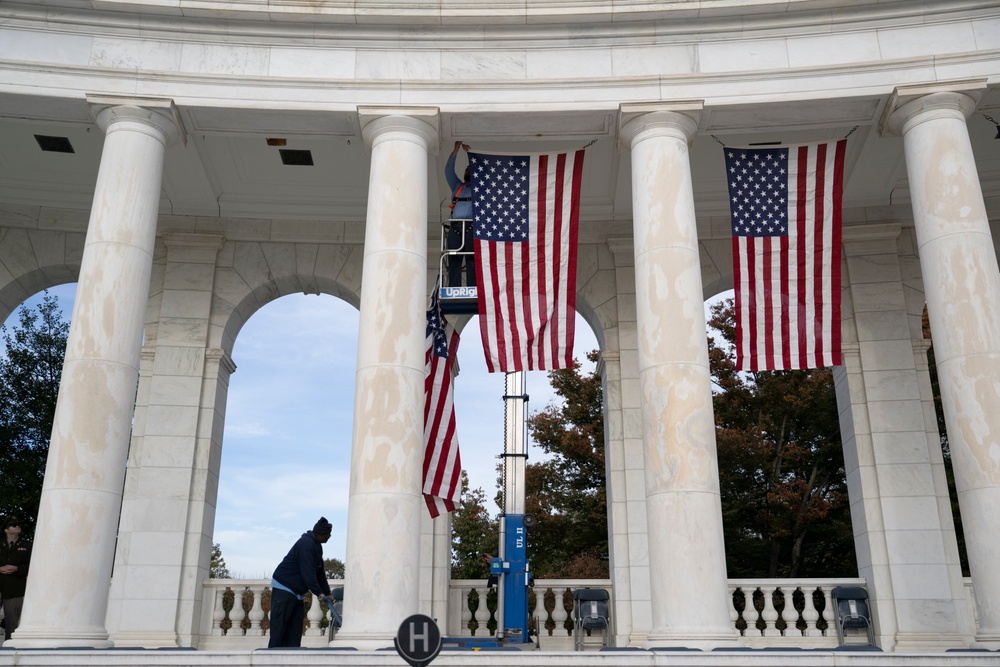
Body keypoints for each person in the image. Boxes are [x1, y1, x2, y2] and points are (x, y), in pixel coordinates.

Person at [267, 517, 333, 648]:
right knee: (279, 630)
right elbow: (307, 572)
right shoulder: (306, 544)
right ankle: (272, 659)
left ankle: (291, 659)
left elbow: (320, 572)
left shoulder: (317, 546)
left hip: (296, 592)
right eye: (328, 535)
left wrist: (327, 592)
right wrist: (318, 592)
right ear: (321, 534)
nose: (329, 537)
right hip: (284, 588)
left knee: (294, 631)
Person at [444, 140, 476, 288]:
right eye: (467, 169)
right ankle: (454, 288)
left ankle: (472, 288)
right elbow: (448, 171)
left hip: (471, 228)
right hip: (456, 228)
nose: (468, 171)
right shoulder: (457, 186)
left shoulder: (480, 188)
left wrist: (470, 154)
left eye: (471, 169)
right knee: (454, 259)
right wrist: (455, 151)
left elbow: (484, 171)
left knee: (472, 259)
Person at [0, 516, 31, 642]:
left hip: (15, 588)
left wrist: (17, 568)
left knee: (12, 622)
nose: (17, 526)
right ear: (6, 530)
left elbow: (34, 566)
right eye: (13, 525)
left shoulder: (27, 545)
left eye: (18, 524)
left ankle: (9, 649)